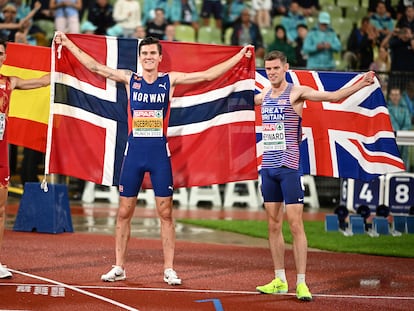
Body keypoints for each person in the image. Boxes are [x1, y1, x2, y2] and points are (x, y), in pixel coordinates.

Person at [53, 32, 253, 284]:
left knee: (165, 212)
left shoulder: (170, 80)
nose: (148, 57)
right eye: (144, 54)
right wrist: (67, 43)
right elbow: (95, 67)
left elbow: (207, 75)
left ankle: (169, 268)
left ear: (159, 58)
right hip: (134, 154)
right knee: (124, 211)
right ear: (140, 58)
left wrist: (239, 56)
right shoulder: (130, 79)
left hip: (159, 154)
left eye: (152, 54)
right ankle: (119, 267)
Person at [253, 50, 375, 301]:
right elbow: (241, 99)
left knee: (295, 225)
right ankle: (279, 279)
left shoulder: (296, 93)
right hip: (268, 168)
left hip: (289, 168)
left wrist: (361, 82)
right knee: (273, 225)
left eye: (276, 68)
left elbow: (332, 96)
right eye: (268, 69)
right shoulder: (264, 94)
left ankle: (301, 282)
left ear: (285, 68)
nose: (272, 72)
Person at [0, 38, 50, 279]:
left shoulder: (10, 82)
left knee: (1, 209)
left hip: (1, 152)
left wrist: (62, 66)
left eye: (0, 53)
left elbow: (42, 81)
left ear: (4, 57)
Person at [387, 86, 412, 169]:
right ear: (390, 96)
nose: (395, 97)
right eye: (393, 95)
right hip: (391, 137)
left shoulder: (405, 110)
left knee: (404, 156)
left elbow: (407, 123)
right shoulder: (386, 109)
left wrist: (402, 132)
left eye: (397, 95)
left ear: (400, 96)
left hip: (403, 138)